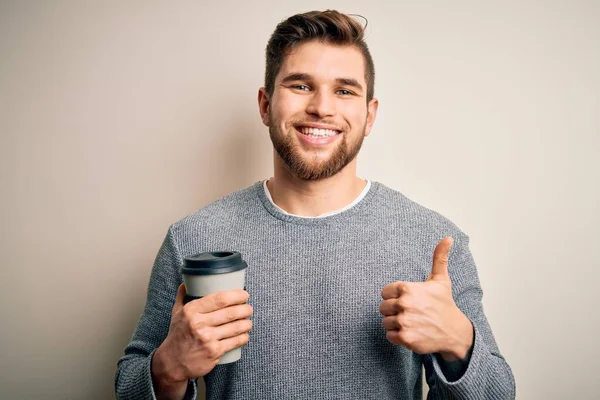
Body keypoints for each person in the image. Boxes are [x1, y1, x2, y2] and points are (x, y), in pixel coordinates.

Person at [115, 9, 515, 400]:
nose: (322, 107)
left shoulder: (432, 244)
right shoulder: (193, 238)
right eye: (301, 85)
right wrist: (167, 367)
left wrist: (458, 344)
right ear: (265, 104)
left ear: (369, 115)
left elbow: (499, 393)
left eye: (344, 90)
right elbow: (129, 384)